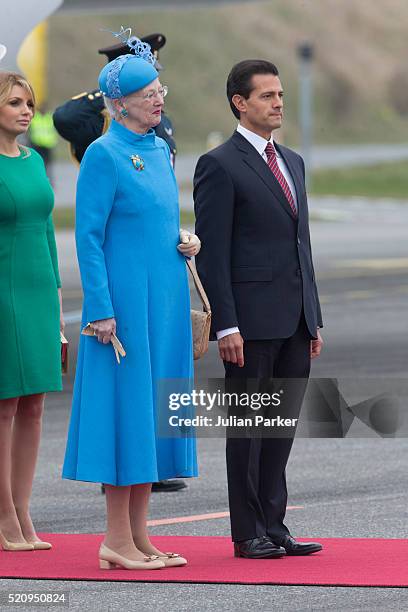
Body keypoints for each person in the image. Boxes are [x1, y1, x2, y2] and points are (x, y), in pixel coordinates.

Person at [62, 33, 200, 571]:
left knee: (153, 416)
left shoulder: (159, 149)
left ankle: (139, 537)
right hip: (121, 308)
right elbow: (89, 237)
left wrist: (186, 239)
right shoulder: (103, 153)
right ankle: (114, 539)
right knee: (126, 415)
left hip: (164, 301)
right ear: (119, 105)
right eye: (147, 95)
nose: (158, 100)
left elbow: (156, 221)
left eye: (159, 90)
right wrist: (99, 308)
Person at [194, 60, 323, 559]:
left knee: (280, 429)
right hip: (247, 323)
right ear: (239, 103)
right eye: (267, 95)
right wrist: (225, 323)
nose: (278, 103)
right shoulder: (220, 164)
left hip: (294, 319)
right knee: (248, 430)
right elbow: (213, 253)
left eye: (281, 94)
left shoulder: (292, 161)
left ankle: (275, 525)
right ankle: (247, 533)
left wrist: (313, 315)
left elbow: (301, 245)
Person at [0, 71, 63, 552]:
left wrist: (60, 310)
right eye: (16, 103)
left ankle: (22, 510)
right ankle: (4, 517)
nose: (27, 111)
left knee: (35, 405)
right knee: (5, 407)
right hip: (4, 294)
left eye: (30, 103)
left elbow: (45, 234)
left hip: (40, 291)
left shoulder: (34, 161)